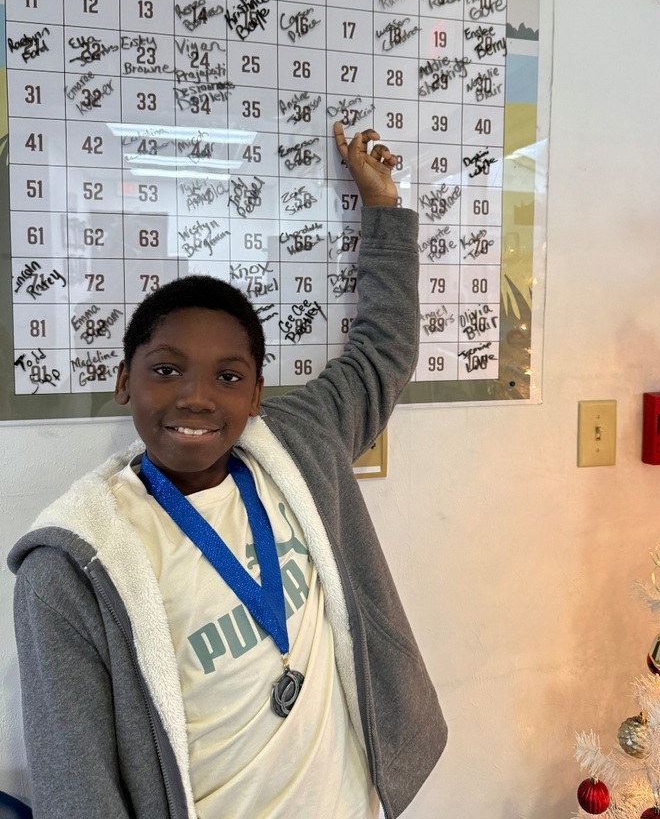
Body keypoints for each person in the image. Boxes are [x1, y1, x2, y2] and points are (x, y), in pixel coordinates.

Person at [8, 123, 447, 819]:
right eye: (166, 370)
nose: (196, 397)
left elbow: (381, 352)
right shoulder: (69, 570)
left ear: (256, 395)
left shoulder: (299, 448)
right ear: (125, 381)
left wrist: (384, 211)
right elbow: (76, 786)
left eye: (228, 375)